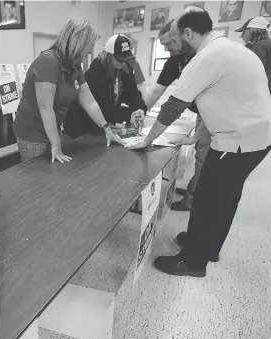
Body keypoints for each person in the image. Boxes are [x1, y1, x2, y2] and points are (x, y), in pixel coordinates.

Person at [129, 9, 271, 277]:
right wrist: (199, 136)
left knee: (208, 198)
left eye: (173, 38)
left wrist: (147, 140)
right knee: (226, 196)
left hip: (238, 141)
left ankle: (194, 262)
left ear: (188, 33)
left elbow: (173, 106)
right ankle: (207, 247)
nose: (172, 46)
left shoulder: (206, 57)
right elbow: (226, 100)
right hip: (254, 136)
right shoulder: (227, 49)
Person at [13, 18, 124, 163]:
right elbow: (45, 107)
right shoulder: (48, 61)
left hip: (53, 130)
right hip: (33, 133)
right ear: (78, 42)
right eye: (89, 45)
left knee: (53, 172)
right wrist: (56, 143)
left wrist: (107, 129)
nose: (91, 50)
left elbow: (89, 101)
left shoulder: (75, 66)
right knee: (37, 176)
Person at [145, 18, 211, 212]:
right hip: (202, 112)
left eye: (169, 43)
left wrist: (149, 138)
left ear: (182, 36)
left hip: (216, 115)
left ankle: (193, 200)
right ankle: (193, 191)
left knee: (204, 158)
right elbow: (157, 90)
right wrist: (142, 109)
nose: (166, 49)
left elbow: (175, 104)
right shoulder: (175, 60)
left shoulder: (202, 57)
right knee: (201, 152)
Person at [63, 34, 146, 139]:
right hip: (84, 128)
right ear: (109, 55)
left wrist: (139, 109)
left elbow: (132, 93)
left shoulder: (124, 71)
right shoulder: (93, 74)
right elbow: (102, 108)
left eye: (125, 59)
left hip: (104, 126)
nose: (123, 62)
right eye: (119, 59)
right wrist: (128, 115)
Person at [235, 16, 271, 94]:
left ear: (253, 30)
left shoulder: (259, 45)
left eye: (244, 31)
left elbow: (254, 72)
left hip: (262, 91)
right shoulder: (267, 42)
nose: (241, 36)